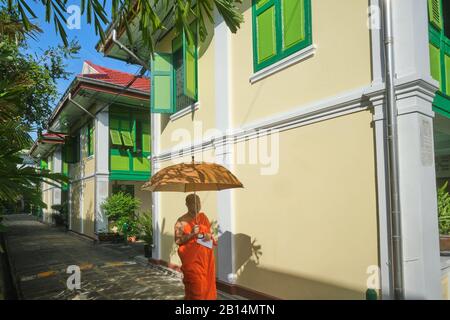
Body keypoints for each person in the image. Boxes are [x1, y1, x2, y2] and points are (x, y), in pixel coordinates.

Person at [174, 193, 217, 300]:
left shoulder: (203, 217)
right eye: (194, 202)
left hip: (205, 261)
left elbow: (206, 238)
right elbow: (178, 240)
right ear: (187, 204)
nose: (197, 205)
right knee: (197, 288)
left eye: (198, 202)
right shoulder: (181, 221)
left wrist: (208, 236)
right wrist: (192, 233)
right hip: (192, 263)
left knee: (206, 287)